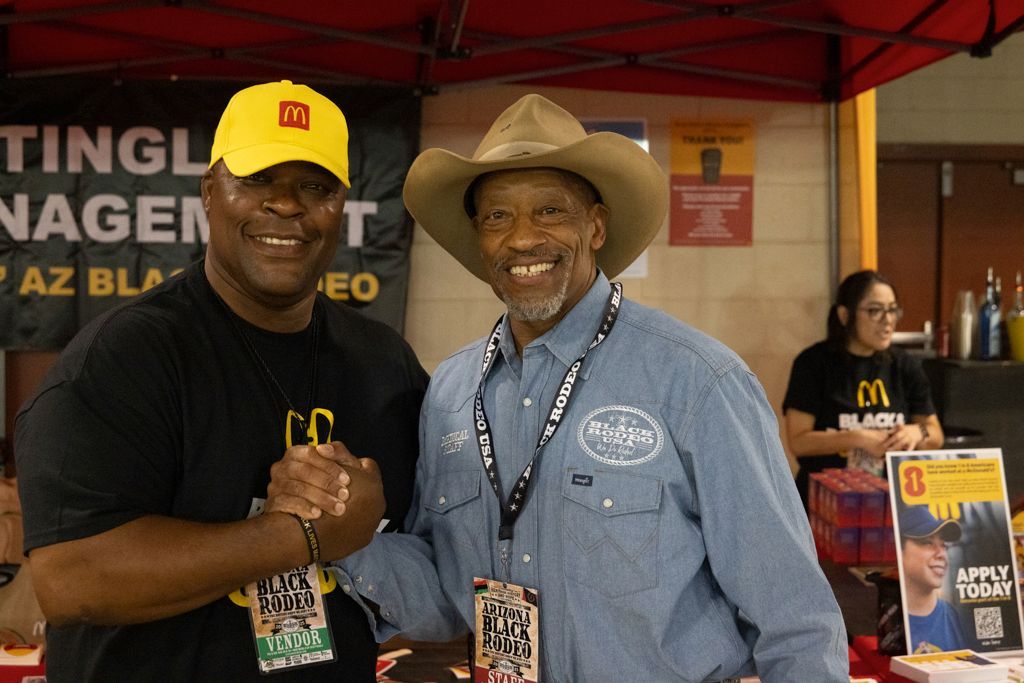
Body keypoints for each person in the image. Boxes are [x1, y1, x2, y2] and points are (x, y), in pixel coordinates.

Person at [283, 94, 847, 681]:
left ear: (595, 225)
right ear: (479, 238)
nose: (522, 239)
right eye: (498, 217)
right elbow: (444, 592)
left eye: (550, 210)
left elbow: (795, 619)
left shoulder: (698, 381)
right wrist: (338, 527)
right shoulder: (451, 391)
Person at [13, 81, 427, 681]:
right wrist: (300, 536)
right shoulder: (125, 356)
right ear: (210, 192)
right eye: (257, 179)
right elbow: (71, 580)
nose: (286, 204)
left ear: (343, 204)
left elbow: (436, 543)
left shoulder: (384, 361)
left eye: (316, 186)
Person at [783, 270, 944, 508]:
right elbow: (798, 442)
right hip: (825, 501)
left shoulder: (905, 365)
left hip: (891, 501)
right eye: (875, 310)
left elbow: (935, 435)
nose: (888, 320)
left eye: (893, 310)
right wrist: (856, 438)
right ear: (845, 315)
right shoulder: (813, 363)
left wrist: (916, 433)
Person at [898, 506, 966, 653]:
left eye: (944, 545)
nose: (941, 554)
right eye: (927, 542)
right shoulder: (890, 621)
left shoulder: (956, 618)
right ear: (900, 551)